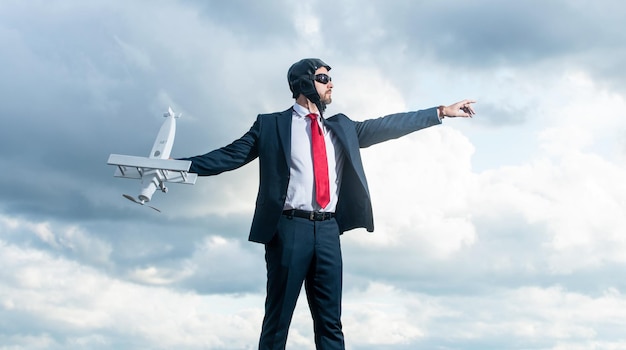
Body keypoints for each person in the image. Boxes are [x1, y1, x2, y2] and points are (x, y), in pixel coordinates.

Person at [178, 58, 475, 350]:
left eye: (330, 79)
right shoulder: (271, 125)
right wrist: (176, 167)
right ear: (303, 82)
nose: (331, 83)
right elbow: (229, 156)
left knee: (331, 323)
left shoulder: (341, 127)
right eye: (323, 78)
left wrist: (440, 112)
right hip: (289, 229)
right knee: (278, 321)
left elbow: (387, 125)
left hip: (329, 231)